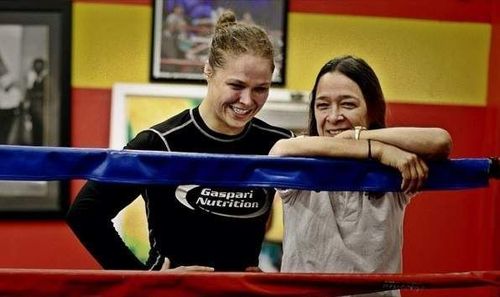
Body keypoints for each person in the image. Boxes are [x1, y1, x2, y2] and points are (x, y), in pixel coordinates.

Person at [67, 10, 293, 272]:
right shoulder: (161, 142)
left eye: (260, 88)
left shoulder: (278, 144)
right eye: (236, 85)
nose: (247, 100)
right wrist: (143, 280)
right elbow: (85, 213)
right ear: (208, 71)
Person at [269, 56, 452, 296]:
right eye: (323, 105)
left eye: (348, 104)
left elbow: (440, 141)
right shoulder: (302, 158)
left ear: (371, 110)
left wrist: (358, 138)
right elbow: (279, 150)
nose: (334, 116)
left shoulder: (392, 168)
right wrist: (377, 149)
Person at [25, 58, 48, 145]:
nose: (38, 68)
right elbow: (28, 92)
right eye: (36, 66)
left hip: (43, 109)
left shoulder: (46, 78)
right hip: (34, 109)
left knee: (42, 130)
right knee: (34, 130)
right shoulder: (32, 79)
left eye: (39, 66)